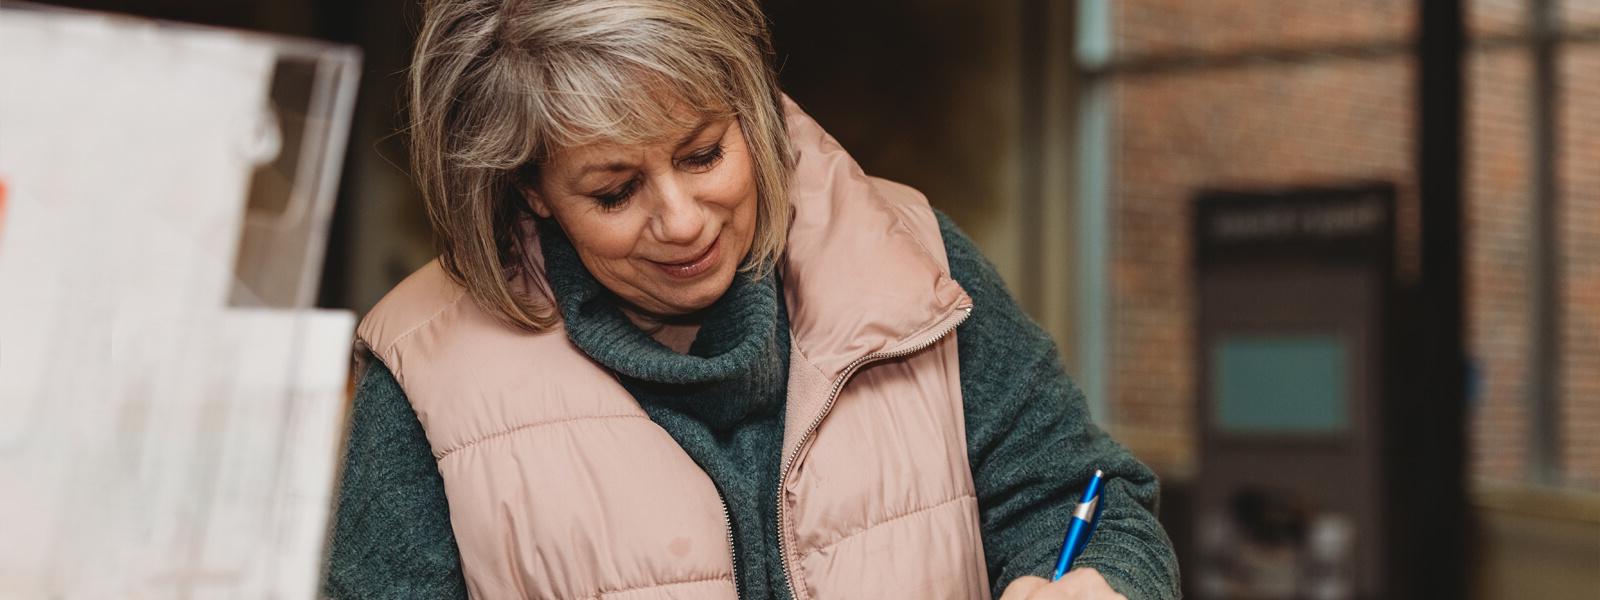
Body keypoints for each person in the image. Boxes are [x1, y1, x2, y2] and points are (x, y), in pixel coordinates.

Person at [324, 1, 1180, 598]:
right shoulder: (425, 372)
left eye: (702, 155)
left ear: (751, 111)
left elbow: (1086, 500)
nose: (683, 222)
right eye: (615, 191)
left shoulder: (912, 260)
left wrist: (1101, 582)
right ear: (533, 188)